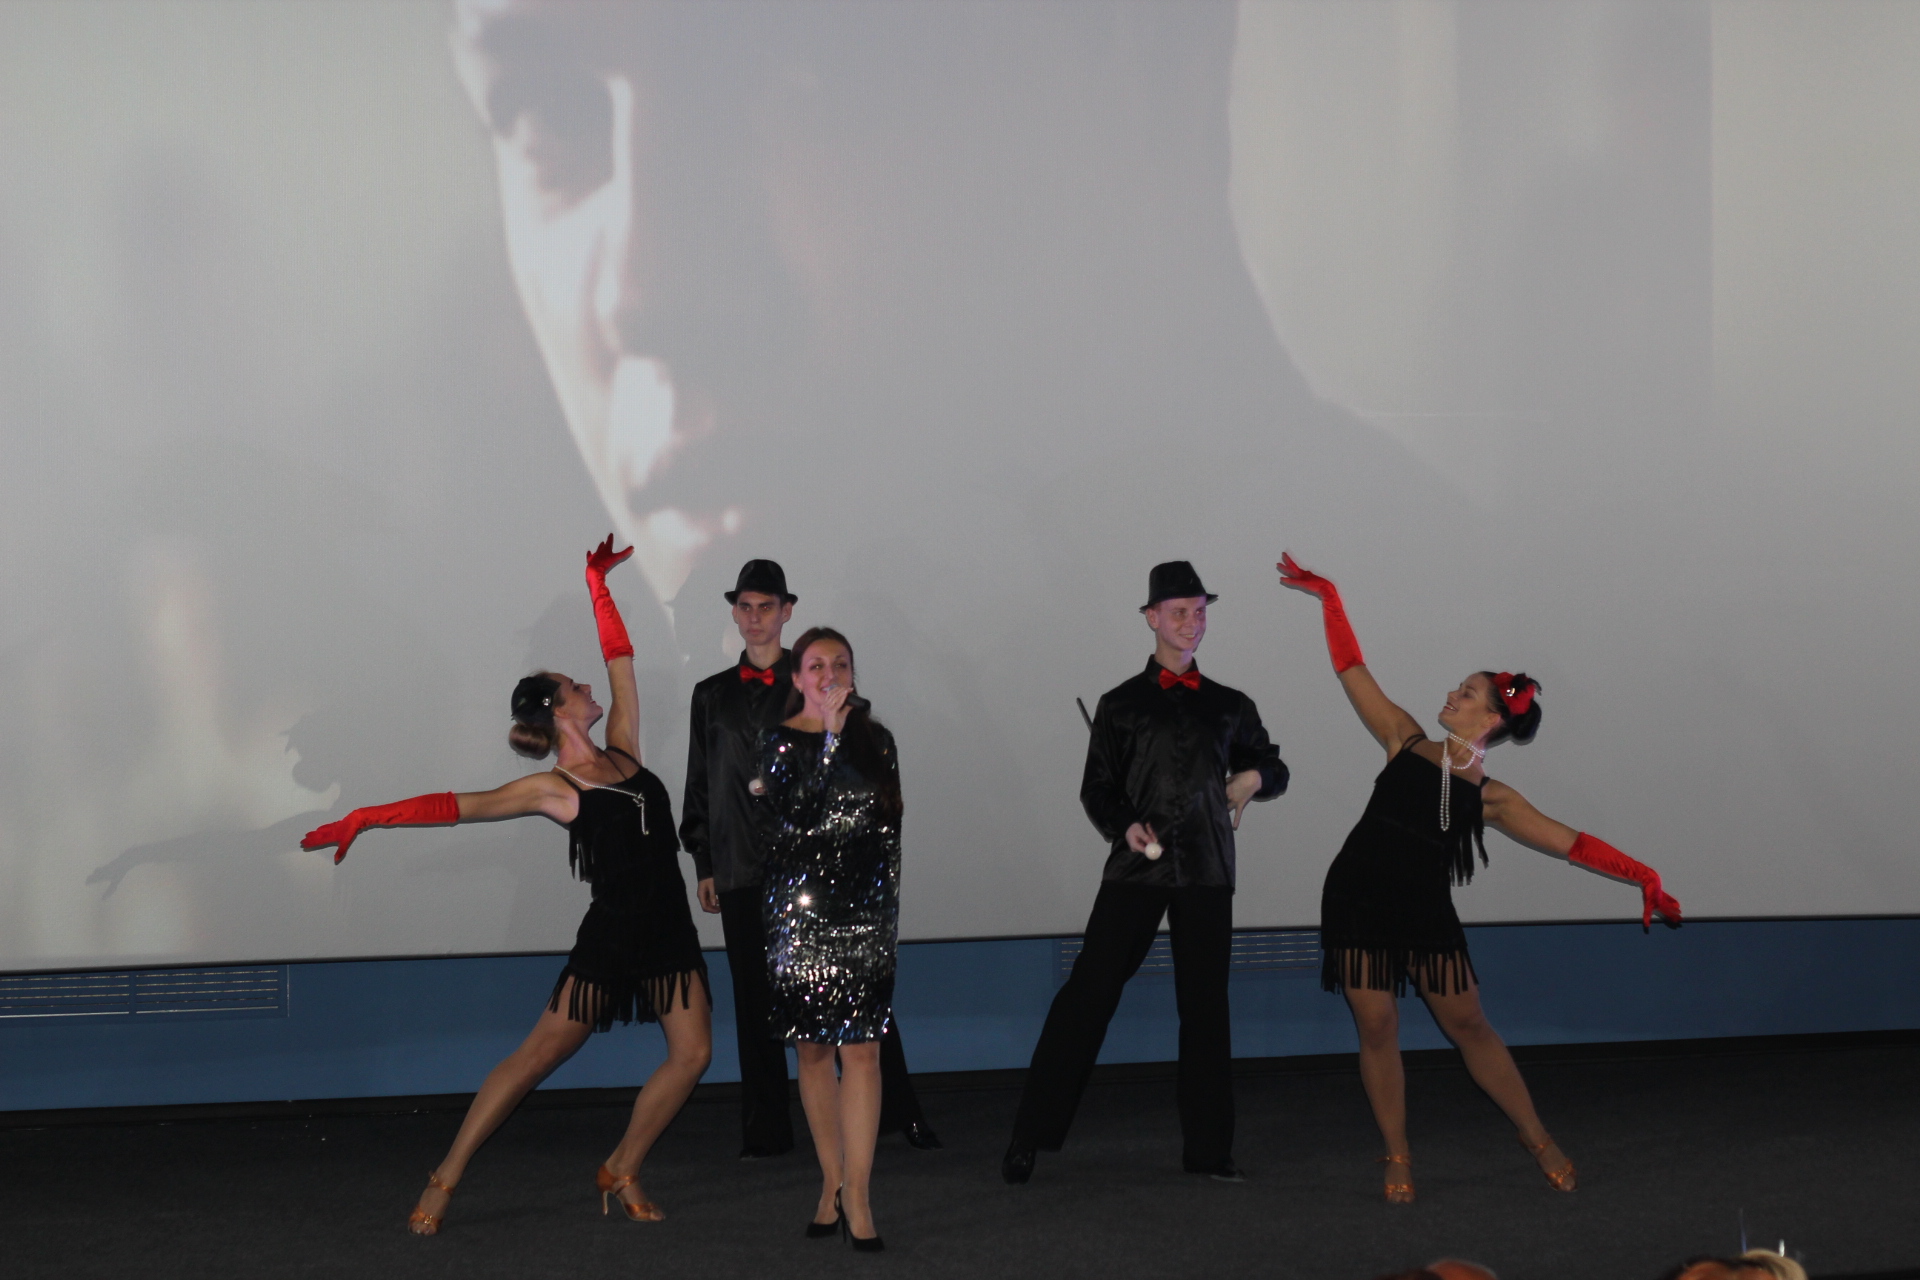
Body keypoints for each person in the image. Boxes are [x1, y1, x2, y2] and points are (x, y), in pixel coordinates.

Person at [299, 536, 711, 1234]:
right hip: (612, 938)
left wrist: (598, 584)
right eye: (575, 686)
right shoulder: (553, 788)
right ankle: (446, 1174)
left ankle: (623, 1166)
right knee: (532, 1060)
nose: (590, 688)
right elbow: (457, 806)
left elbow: (621, 660)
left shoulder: (625, 746)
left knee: (694, 1054)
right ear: (557, 710)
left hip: (670, 928)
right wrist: (366, 817)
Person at [1277, 552, 1683, 1204]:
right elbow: (1353, 669)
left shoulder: (1493, 798)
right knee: (1377, 1027)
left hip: (1424, 913)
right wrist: (1330, 599)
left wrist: (1643, 876)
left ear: (1491, 719)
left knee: (1469, 1025)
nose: (1451, 694)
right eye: (1457, 686)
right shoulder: (1404, 740)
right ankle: (1397, 1151)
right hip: (1355, 899)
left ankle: (1536, 1136)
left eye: (1466, 692)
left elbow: (1571, 842)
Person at [1003, 562, 1288, 1185]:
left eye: (1200, 611)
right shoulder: (1120, 704)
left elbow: (1274, 767)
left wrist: (1254, 777)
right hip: (1136, 871)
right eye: (1179, 612)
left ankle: (1209, 1152)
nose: (1192, 622)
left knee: (1206, 1011)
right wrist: (1124, 825)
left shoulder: (1231, 705)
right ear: (1152, 617)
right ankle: (1030, 1134)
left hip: (1207, 871)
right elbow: (1097, 790)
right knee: (1088, 995)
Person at [681, 559, 939, 1158]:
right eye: (745, 606)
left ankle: (898, 1113)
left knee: (856, 998)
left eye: (766, 606)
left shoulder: (819, 688)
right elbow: (700, 781)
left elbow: (864, 789)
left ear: (786, 612)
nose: (755, 618)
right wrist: (704, 861)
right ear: (735, 613)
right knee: (756, 999)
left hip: (823, 873)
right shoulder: (711, 694)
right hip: (743, 864)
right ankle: (767, 1130)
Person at [754, 627, 903, 1250]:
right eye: (816, 665)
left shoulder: (878, 740)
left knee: (863, 1051)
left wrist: (882, 915)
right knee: (813, 1051)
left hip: (864, 914)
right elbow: (792, 823)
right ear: (797, 678)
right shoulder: (778, 743)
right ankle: (831, 1182)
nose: (829, 675)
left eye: (840, 664)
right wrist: (830, 744)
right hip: (800, 914)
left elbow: (888, 826)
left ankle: (859, 1197)